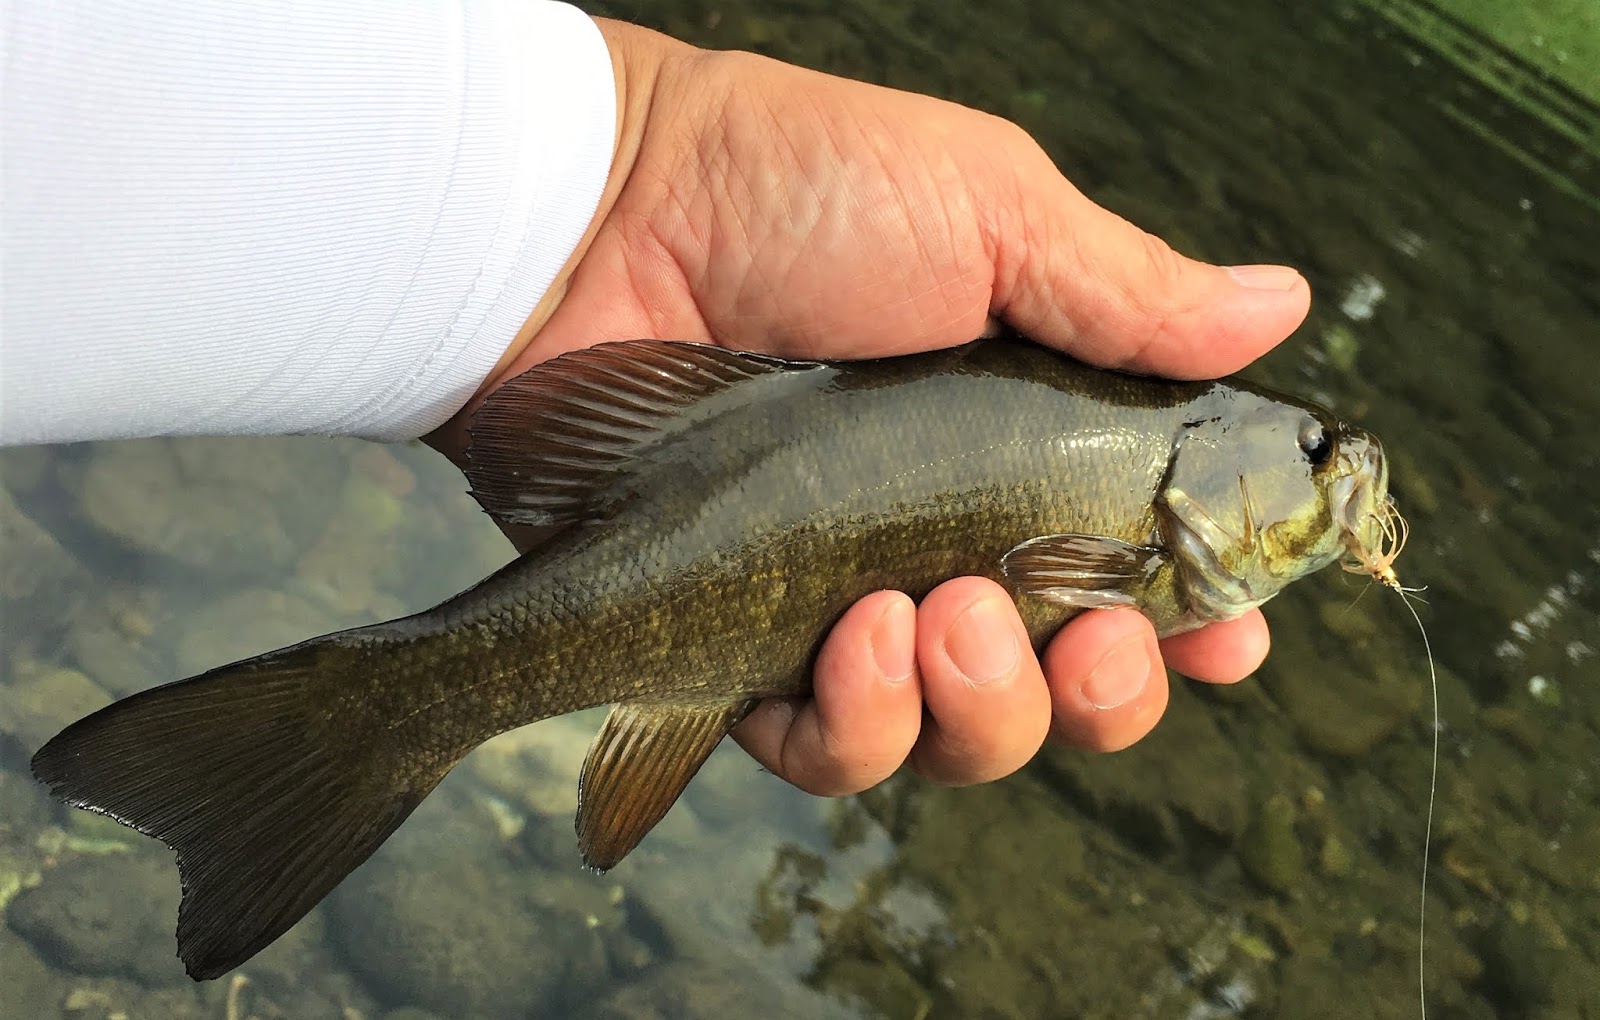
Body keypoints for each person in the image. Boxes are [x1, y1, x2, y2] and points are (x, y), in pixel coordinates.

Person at [2, 2, 1308, 797]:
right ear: (1217, 477)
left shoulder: (1129, 500)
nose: (1329, 478)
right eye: (1311, 456)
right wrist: (622, 175)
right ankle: (357, 728)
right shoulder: (1137, 499)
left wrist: (625, 165)